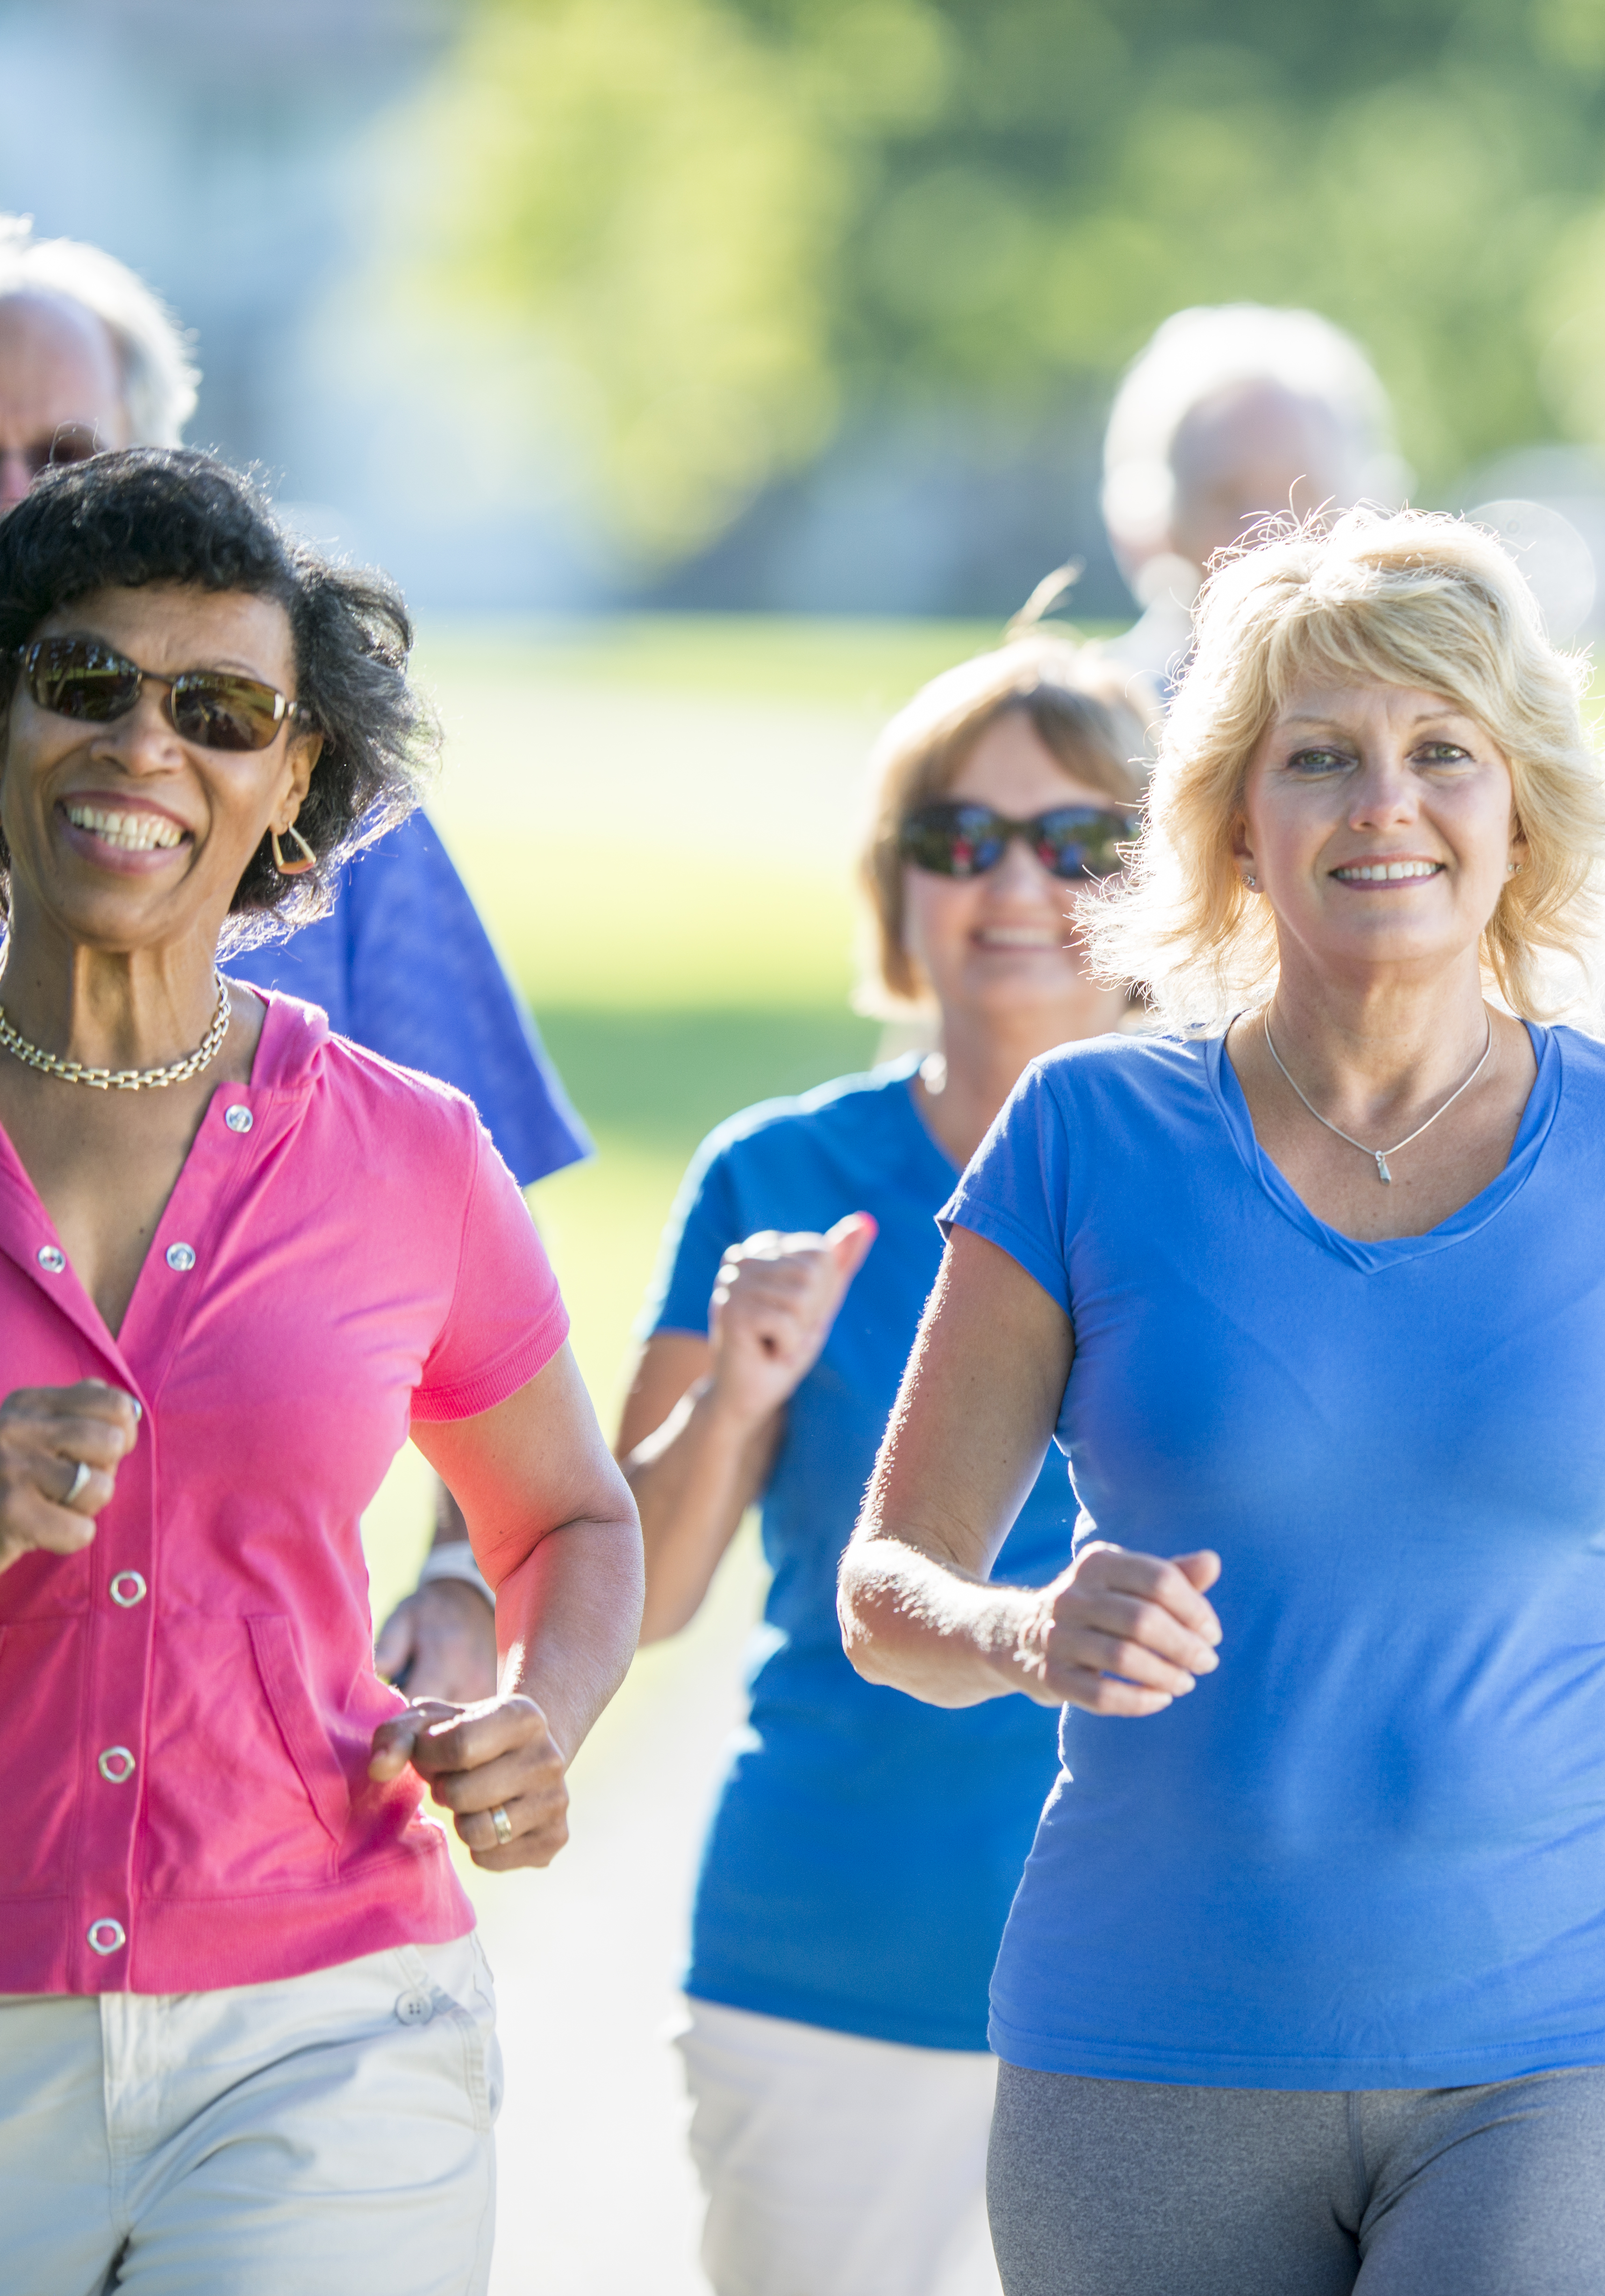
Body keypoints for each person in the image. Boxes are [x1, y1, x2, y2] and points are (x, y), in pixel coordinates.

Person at [836, 509, 1605, 2295]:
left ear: (1517, 804)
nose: (1386, 802)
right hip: (1146, 2043)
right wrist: (1020, 1625)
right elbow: (887, 1589)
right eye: (1322, 758)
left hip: (1564, 2042)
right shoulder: (1087, 1139)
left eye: (1442, 752)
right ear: (1240, 819)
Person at [0, 447, 644, 2289]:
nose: (148, 745)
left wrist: (542, 1713)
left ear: (292, 778)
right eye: (88, 684)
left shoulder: (409, 1149)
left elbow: (567, 1515)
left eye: (221, 709)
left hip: (329, 2033)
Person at [617, 626, 1156, 2296]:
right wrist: (738, 1390)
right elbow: (630, 1595)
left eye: (1081, 842)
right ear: (899, 880)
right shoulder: (776, 1174)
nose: (1012, 882)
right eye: (961, 837)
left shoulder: (1245, 1166)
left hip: (1171, 1982)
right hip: (826, 1955)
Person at [1099, 305, 1410, 693]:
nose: (1270, 531)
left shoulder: (1410, 702)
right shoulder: (1105, 722)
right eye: (1227, 500)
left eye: (1301, 495)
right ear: (1165, 523)